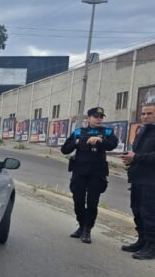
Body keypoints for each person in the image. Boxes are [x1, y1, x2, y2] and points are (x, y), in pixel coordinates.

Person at [60, 107, 118, 243]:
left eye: (101, 117)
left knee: (92, 203)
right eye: (96, 116)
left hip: (97, 173)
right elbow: (64, 149)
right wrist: (77, 142)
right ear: (88, 118)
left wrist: (100, 141)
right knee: (78, 201)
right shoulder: (79, 132)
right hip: (80, 172)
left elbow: (112, 145)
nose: (99, 119)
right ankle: (81, 225)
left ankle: (87, 229)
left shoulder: (107, 132)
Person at [121, 101, 155, 259]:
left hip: (151, 181)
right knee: (137, 211)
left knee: (149, 214)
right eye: (143, 113)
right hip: (137, 178)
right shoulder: (142, 130)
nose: (145, 116)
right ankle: (141, 240)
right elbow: (137, 151)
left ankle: (152, 247)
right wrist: (130, 159)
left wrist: (137, 157)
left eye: (149, 113)